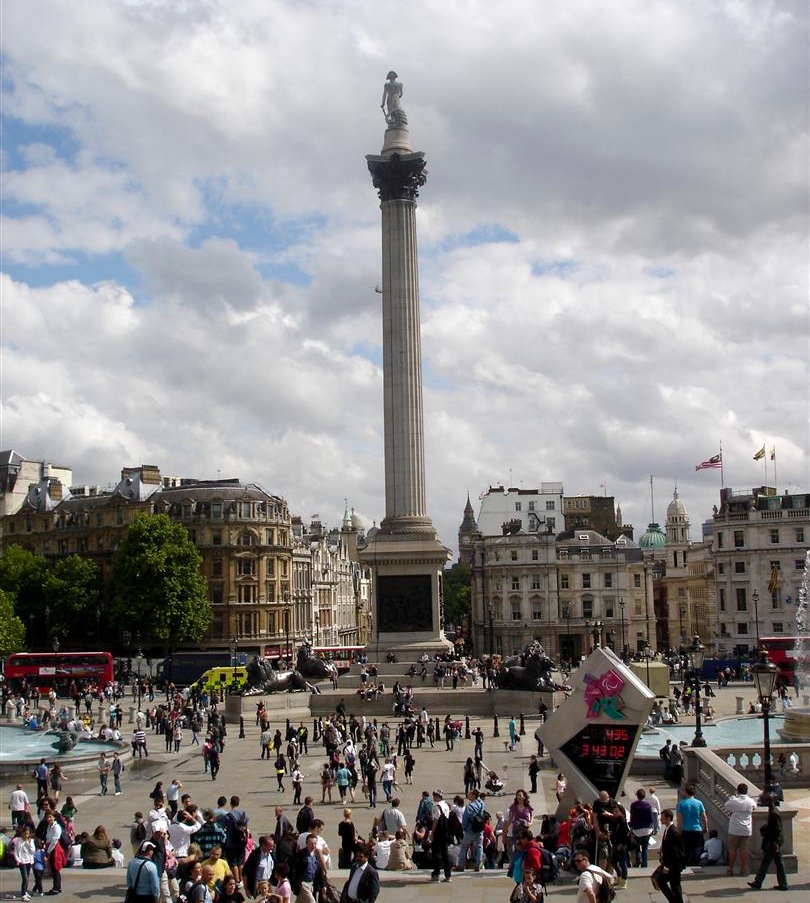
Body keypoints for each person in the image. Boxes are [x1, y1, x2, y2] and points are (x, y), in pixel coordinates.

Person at [747, 792, 788, 891]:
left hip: (773, 843)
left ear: (769, 801)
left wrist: (774, 843)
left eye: (763, 800)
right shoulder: (773, 811)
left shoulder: (774, 813)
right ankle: (782, 884)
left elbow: (777, 829)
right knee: (778, 863)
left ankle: (758, 882)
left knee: (766, 863)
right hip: (775, 842)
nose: (761, 802)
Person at [725, 782, 756, 877]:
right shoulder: (750, 801)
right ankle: (743, 869)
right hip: (746, 828)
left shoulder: (734, 800)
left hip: (734, 828)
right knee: (744, 850)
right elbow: (754, 807)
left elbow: (726, 806)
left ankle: (730, 869)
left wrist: (733, 797)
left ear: (737, 791)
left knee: (733, 849)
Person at [675, 783, 707, 866]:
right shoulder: (699, 803)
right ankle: (695, 863)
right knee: (697, 847)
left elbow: (679, 819)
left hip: (686, 830)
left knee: (686, 848)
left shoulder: (682, 804)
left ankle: (686, 864)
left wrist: (679, 830)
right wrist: (706, 828)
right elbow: (704, 817)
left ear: (686, 792)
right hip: (697, 829)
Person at [428, 789, 452, 883]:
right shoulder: (446, 805)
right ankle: (448, 875)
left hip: (438, 833)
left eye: (434, 796)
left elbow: (435, 821)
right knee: (445, 854)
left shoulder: (437, 807)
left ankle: (436, 875)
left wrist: (432, 833)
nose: (433, 797)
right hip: (445, 832)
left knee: (437, 853)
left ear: (437, 796)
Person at [629, 788, 655, 867]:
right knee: (645, 848)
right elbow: (651, 818)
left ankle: (638, 859)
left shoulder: (633, 805)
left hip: (637, 830)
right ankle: (645, 865)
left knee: (637, 847)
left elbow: (632, 817)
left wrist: (632, 826)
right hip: (647, 830)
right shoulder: (648, 806)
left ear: (637, 796)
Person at [13, 824, 36, 901]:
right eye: (25, 833)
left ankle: (25, 891)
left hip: (29, 862)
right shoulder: (19, 841)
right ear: (22, 833)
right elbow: (15, 852)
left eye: (28, 833)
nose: (26, 835)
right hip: (22, 862)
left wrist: (29, 843)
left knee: (27, 878)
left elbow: (33, 851)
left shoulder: (31, 841)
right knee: (25, 878)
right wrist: (18, 860)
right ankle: (23, 895)